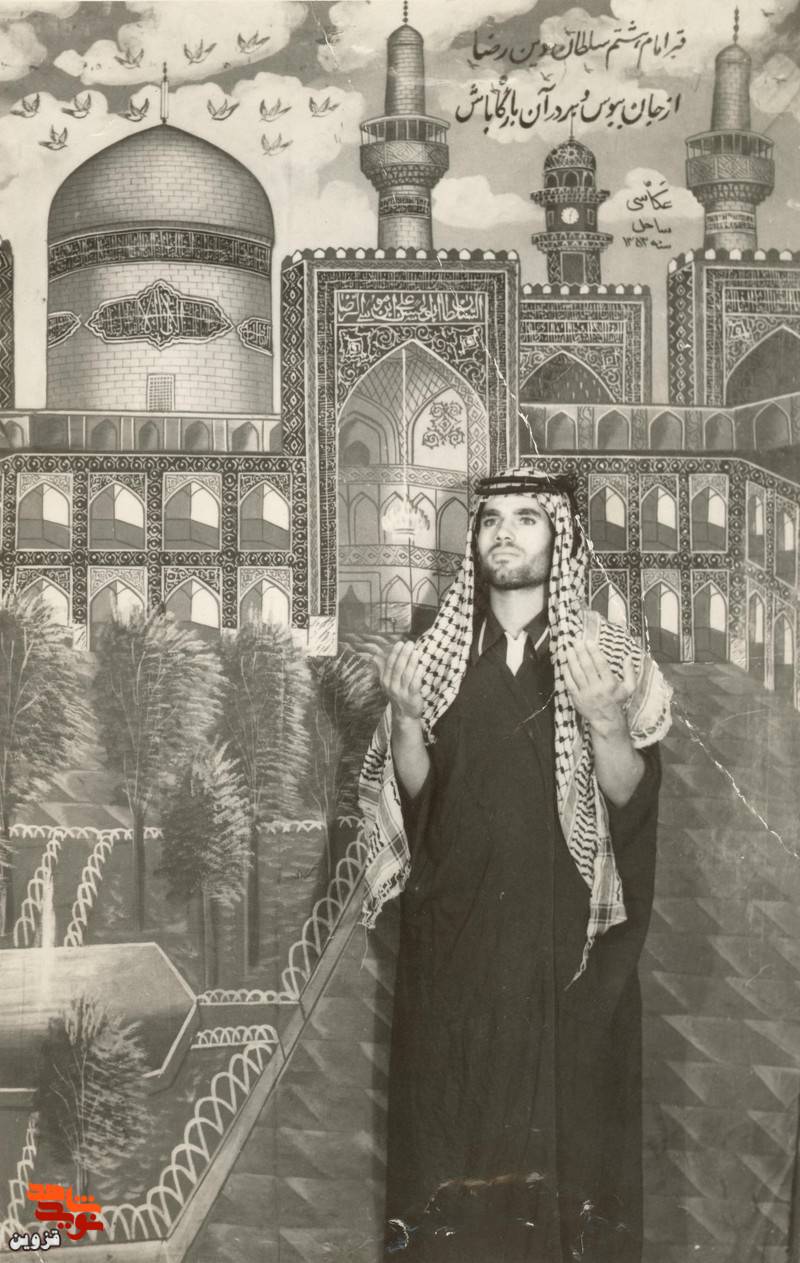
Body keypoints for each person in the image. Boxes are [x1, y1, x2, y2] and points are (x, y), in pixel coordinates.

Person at [358, 467, 672, 1262]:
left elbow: (633, 799)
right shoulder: (436, 657)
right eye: (491, 518)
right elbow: (420, 804)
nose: (503, 532)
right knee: (452, 1163)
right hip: (456, 958)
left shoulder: (605, 655)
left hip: (567, 958)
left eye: (527, 517)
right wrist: (405, 720)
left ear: (560, 536)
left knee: (566, 1170)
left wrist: (605, 720)